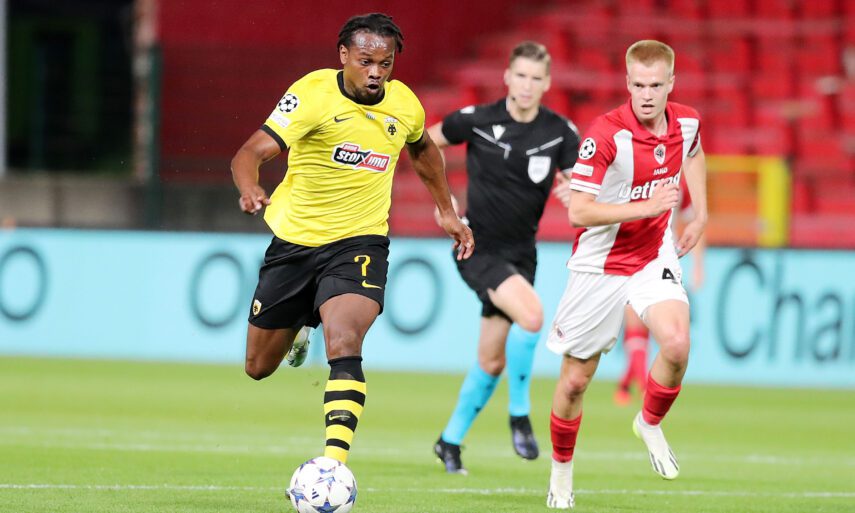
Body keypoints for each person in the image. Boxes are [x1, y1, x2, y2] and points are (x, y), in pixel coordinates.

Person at [230, 13, 473, 467]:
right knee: (257, 367)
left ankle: (333, 465)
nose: (377, 72)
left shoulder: (404, 104)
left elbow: (422, 149)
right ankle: (304, 323)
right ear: (344, 56)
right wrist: (250, 187)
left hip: (360, 242)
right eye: (366, 62)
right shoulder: (311, 94)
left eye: (386, 63)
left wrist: (447, 210)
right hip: (295, 242)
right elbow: (250, 151)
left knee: (344, 341)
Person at [545, 40, 707, 509]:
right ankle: (561, 474)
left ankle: (649, 422)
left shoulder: (687, 121)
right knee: (575, 382)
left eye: (655, 85)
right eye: (638, 85)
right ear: (628, 83)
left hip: (653, 254)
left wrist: (701, 214)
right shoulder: (606, 135)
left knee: (677, 344)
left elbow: (695, 152)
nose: (647, 95)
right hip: (598, 265)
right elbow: (578, 211)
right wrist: (647, 206)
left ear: (671, 83)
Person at [427, 41, 580, 475]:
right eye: (521, 76)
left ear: (546, 83)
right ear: (507, 77)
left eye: (536, 78)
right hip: (476, 246)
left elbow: (581, 189)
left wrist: (575, 195)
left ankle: (449, 441)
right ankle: (520, 415)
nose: (527, 85)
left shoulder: (560, 133)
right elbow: (426, 143)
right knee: (532, 316)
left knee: (492, 361)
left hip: (522, 255)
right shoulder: (477, 119)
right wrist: (444, 202)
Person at [614, 181, 705, 406]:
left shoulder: (680, 182)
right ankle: (644, 386)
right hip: (630, 254)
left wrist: (698, 265)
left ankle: (628, 382)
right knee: (634, 320)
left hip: (662, 259)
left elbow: (694, 221)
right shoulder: (631, 172)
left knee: (656, 331)